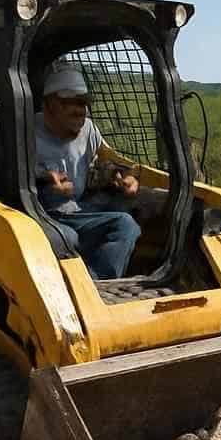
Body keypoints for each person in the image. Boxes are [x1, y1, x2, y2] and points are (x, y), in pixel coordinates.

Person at [34, 67, 142, 280]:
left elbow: (106, 161)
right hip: (40, 212)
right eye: (69, 103)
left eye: (82, 103)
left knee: (127, 220)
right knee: (67, 237)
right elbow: (5, 176)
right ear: (48, 105)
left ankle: (97, 282)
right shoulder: (25, 132)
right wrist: (43, 180)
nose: (79, 110)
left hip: (77, 208)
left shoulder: (89, 130)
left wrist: (124, 177)